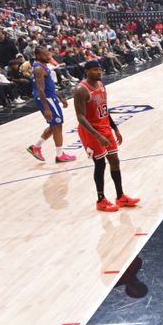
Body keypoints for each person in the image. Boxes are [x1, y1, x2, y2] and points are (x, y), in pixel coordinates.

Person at [73, 61, 140, 212]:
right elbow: (80, 117)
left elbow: (104, 108)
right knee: (100, 164)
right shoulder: (81, 90)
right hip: (90, 130)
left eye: (100, 69)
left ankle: (120, 196)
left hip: (105, 128)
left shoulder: (101, 85)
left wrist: (115, 128)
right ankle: (101, 200)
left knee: (115, 161)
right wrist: (97, 136)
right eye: (95, 70)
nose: (99, 72)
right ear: (87, 71)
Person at [26, 46, 76, 163]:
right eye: (45, 55)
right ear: (38, 56)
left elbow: (49, 86)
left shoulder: (43, 66)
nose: (48, 56)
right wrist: (47, 108)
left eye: (48, 54)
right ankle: (60, 155)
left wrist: (60, 97)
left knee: (55, 125)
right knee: (57, 125)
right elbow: (40, 90)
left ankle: (36, 147)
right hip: (47, 100)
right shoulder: (38, 68)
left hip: (50, 98)